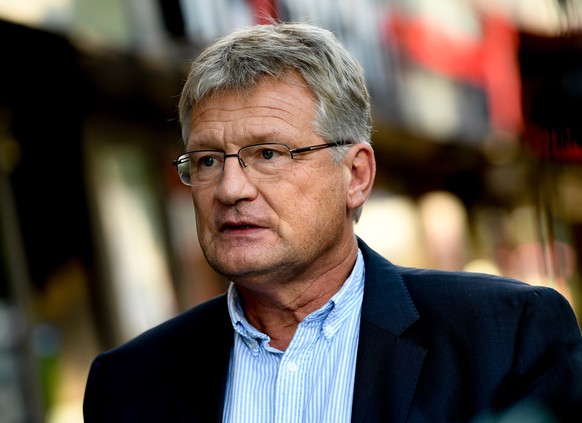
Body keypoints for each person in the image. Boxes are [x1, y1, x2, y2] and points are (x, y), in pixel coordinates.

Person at [83, 22, 582, 422]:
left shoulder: (505, 337)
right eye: (209, 160)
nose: (232, 189)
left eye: (268, 153)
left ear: (356, 176)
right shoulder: (128, 382)